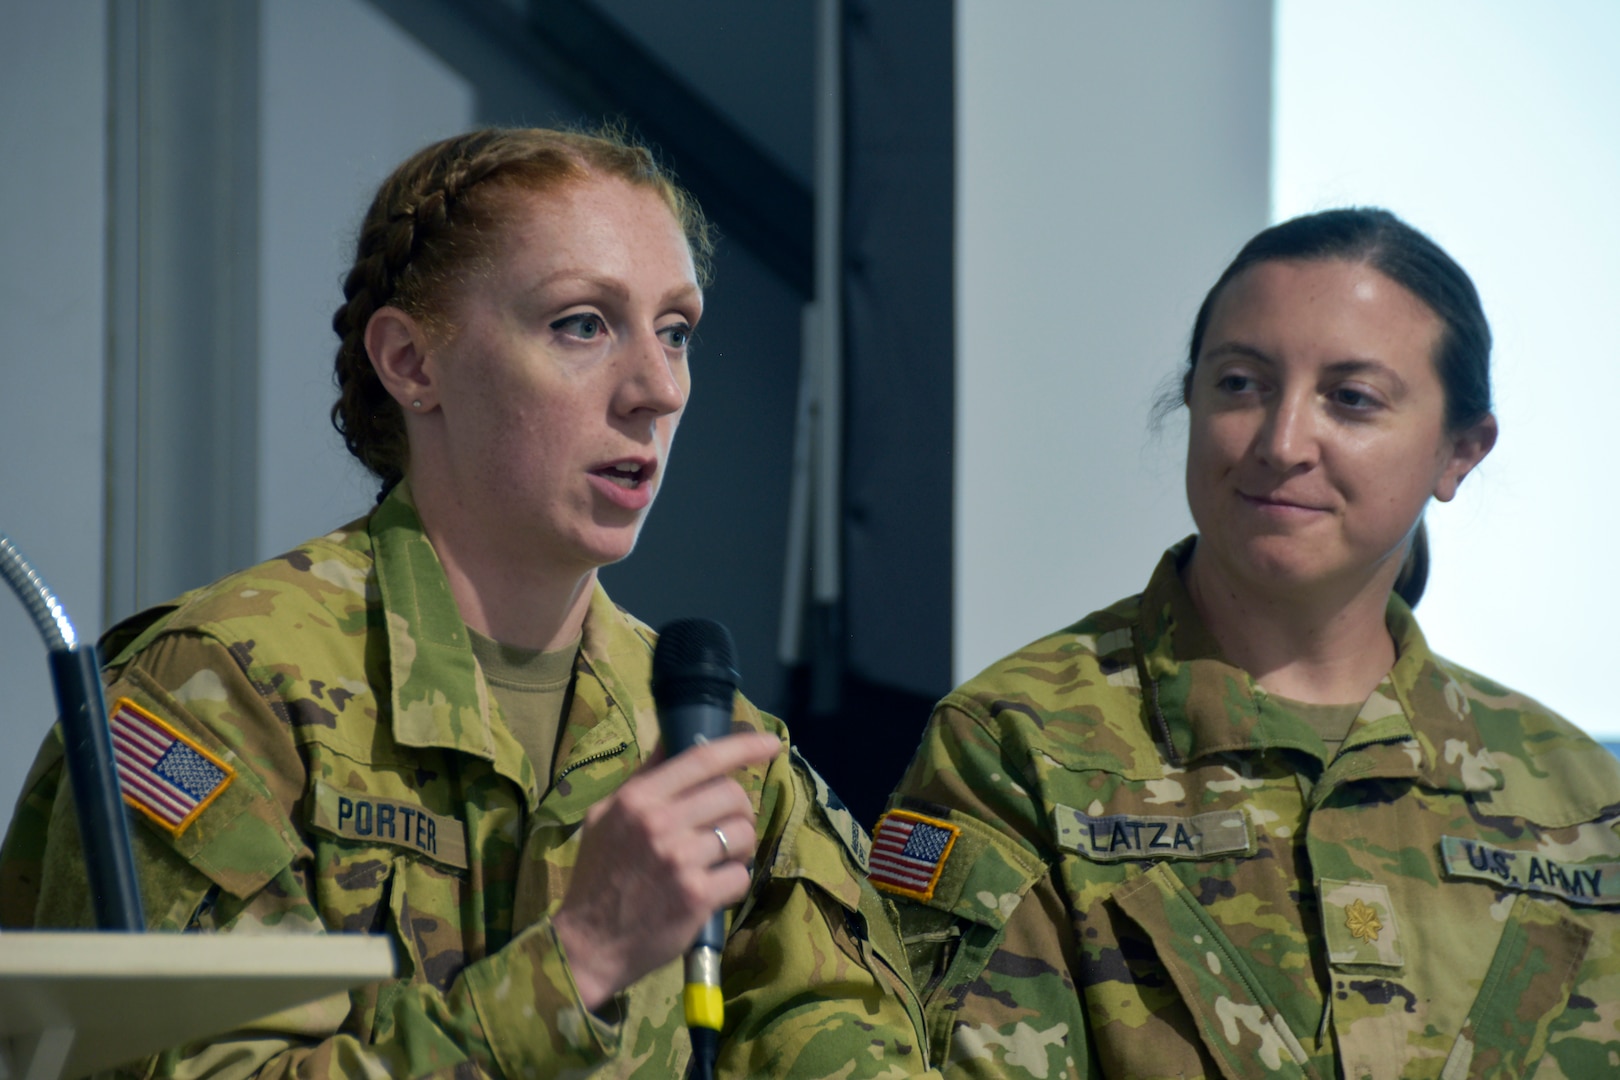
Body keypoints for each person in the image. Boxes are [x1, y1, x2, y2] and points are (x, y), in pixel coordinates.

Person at [0, 127, 929, 1078]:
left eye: (676, 331)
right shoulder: (218, 695)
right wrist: (583, 962)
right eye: (582, 324)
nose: (656, 390)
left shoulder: (710, 752)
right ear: (411, 363)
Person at [877, 208, 1620, 1078]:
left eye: (1351, 399)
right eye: (1240, 384)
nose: (1281, 443)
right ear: (1190, 399)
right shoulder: (1018, 746)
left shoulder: (1574, 797)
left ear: (1460, 452)